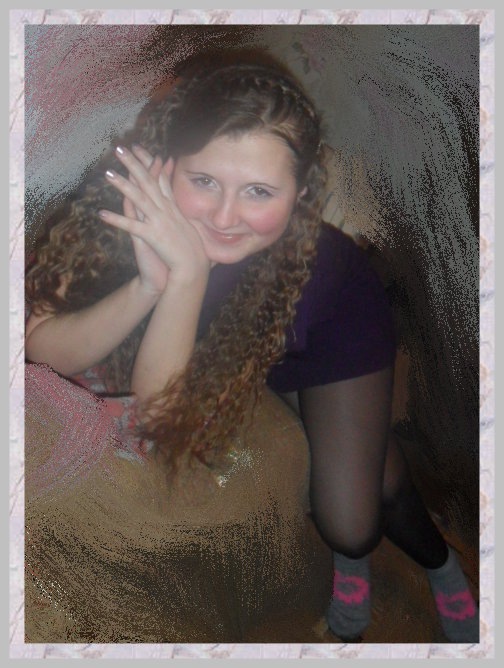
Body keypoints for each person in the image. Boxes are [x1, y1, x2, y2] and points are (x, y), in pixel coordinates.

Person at [25, 53, 478, 643]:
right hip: (251, 344)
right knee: (371, 479)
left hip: (332, 335)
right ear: (167, 164)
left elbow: (161, 411)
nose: (224, 216)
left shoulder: (309, 269)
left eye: (259, 191)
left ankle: (442, 568)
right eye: (204, 181)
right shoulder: (120, 209)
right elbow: (45, 348)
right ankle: (374, 486)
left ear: (299, 193)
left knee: (350, 525)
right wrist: (153, 284)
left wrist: (188, 278)